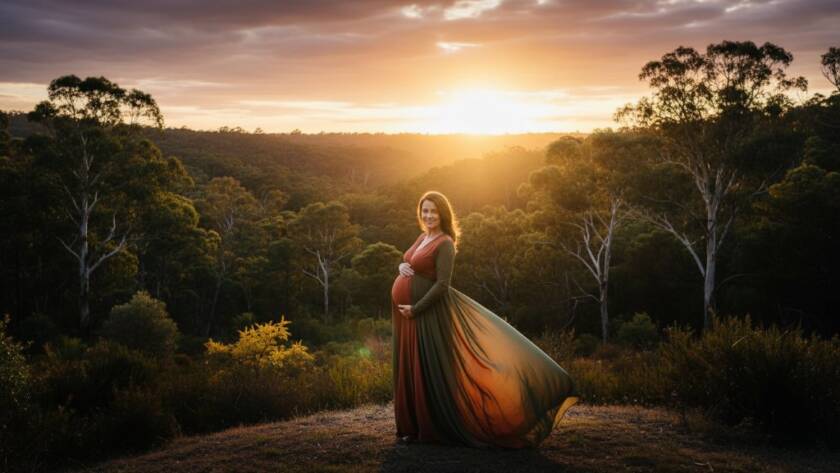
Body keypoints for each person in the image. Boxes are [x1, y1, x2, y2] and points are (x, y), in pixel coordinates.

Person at [390, 190, 579, 449]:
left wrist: (417, 308)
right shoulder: (423, 236)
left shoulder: (445, 243)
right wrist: (401, 266)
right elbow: (410, 261)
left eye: (434, 211)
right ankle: (412, 427)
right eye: (425, 210)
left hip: (427, 314)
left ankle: (429, 428)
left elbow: (443, 284)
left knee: (426, 368)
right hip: (408, 316)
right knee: (412, 365)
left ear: (442, 214)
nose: (429, 215)